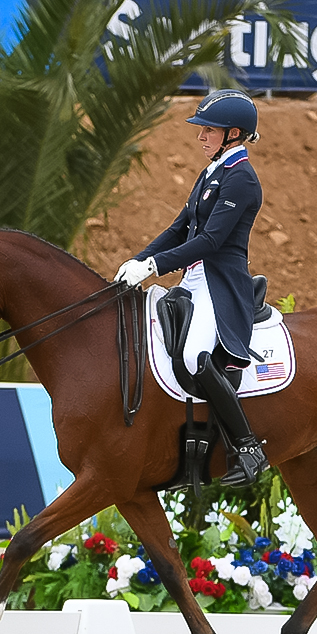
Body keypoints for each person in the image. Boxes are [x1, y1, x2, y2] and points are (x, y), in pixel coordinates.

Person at [113, 89, 269, 488]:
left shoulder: (242, 180)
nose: (200, 136)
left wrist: (154, 266)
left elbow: (212, 241)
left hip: (219, 283)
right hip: (192, 278)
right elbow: (180, 227)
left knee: (195, 354)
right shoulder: (213, 172)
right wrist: (139, 258)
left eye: (209, 130)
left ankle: (249, 448)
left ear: (234, 134)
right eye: (201, 130)